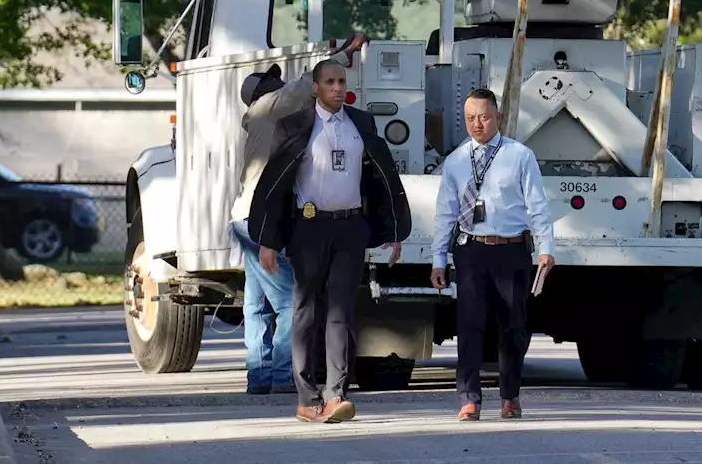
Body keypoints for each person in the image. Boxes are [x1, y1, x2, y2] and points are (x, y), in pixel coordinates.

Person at [248, 57, 411, 424]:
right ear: (316, 88)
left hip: (350, 228)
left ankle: (336, 394)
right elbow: (276, 184)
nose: (338, 88)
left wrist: (392, 232)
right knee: (306, 311)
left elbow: (380, 179)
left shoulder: (362, 124)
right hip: (308, 229)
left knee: (341, 311)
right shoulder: (294, 125)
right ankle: (307, 398)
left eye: (342, 81)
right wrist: (269, 240)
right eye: (331, 82)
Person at [229, 35, 368, 396]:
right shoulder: (271, 107)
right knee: (293, 302)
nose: (280, 84)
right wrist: (344, 55)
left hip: (242, 217)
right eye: (273, 82)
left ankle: (258, 376)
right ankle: (279, 375)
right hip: (260, 220)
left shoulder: (259, 121)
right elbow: (306, 82)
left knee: (257, 306)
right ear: (266, 92)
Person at [430, 88, 556, 421]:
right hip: (471, 249)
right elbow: (446, 211)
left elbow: (537, 205)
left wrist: (546, 248)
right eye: (470, 118)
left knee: (514, 326)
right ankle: (468, 398)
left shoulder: (519, 155)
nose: (477, 124)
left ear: (498, 117)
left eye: (484, 117)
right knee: (470, 324)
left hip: (511, 250)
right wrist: (439, 258)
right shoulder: (456, 160)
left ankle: (510, 395)